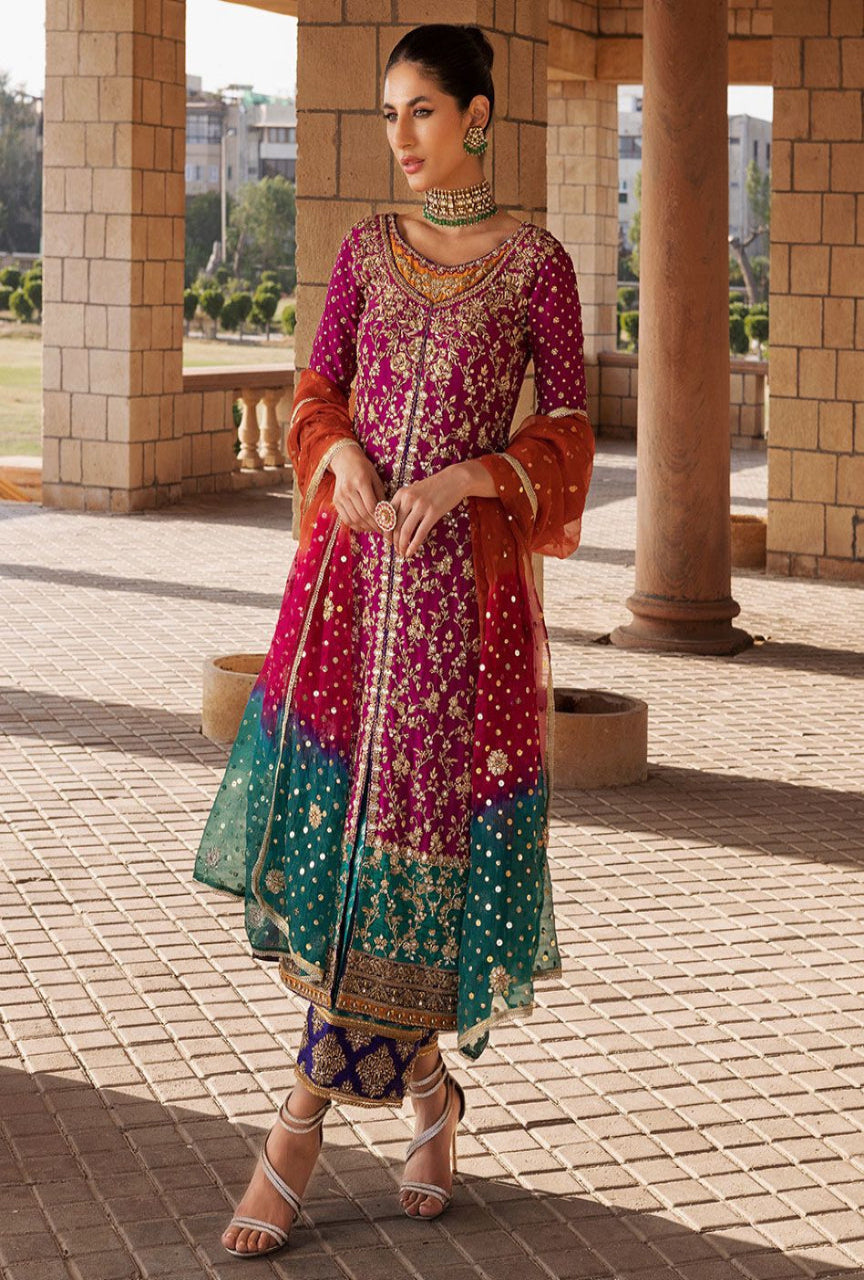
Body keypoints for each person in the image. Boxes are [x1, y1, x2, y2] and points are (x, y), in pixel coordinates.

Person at [192, 21, 595, 1260]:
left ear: (478, 114)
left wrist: (472, 473)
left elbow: (570, 430)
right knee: (347, 851)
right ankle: (429, 1096)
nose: (402, 137)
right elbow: (317, 391)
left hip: (456, 618)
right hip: (350, 597)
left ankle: (297, 1128)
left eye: (422, 110)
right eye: (388, 115)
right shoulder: (366, 252)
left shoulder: (536, 264)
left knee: (411, 862)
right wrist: (342, 452)